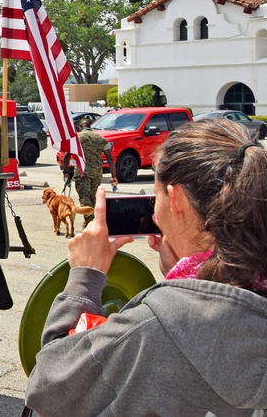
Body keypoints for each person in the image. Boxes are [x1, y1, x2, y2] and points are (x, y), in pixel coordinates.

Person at [25, 118, 267, 416]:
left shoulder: (153, 328)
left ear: (175, 199)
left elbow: (48, 387)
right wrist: (187, 275)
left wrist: (85, 278)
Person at [60, 116, 116, 225]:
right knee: (92, 196)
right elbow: (109, 158)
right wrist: (114, 176)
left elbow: (66, 156)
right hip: (96, 173)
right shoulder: (101, 139)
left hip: (82, 172)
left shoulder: (77, 138)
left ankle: (89, 220)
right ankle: (93, 220)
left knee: (84, 197)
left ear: (80, 127)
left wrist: (65, 171)